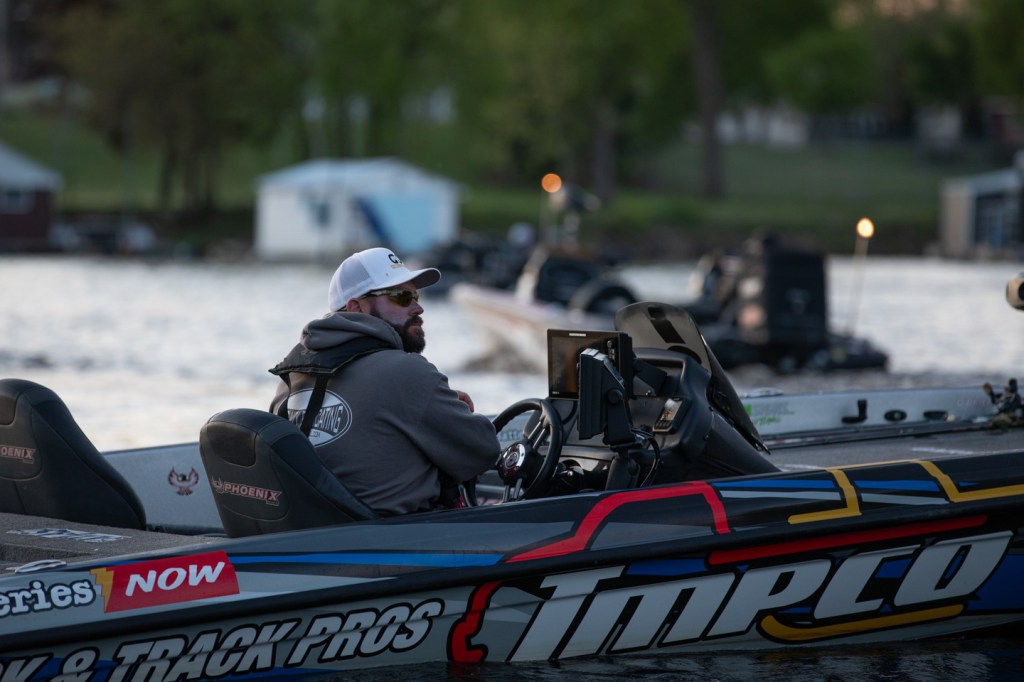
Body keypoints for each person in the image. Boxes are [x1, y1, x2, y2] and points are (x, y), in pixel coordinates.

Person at [269, 247, 500, 516]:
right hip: (399, 535)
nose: (418, 307)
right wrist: (440, 402)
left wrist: (432, 402)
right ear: (356, 308)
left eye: (415, 295)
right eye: (401, 296)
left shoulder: (290, 375)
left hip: (310, 529)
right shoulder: (408, 372)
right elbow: (483, 450)